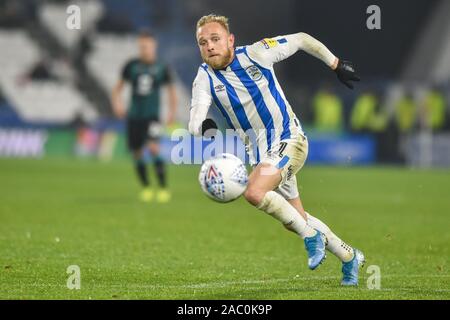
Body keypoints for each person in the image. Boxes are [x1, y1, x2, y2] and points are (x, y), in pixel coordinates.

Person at [189, 14, 364, 286]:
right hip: (262, 155)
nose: (209, 46)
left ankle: (310, 237)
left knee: (254, 192)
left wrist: (336, 64)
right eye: (203, 42)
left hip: (289, 139)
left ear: (230, 40)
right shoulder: (204, 77)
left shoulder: (258, 53)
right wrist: (205, 127)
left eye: (215, 39)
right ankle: (349, 257)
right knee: (295, 218)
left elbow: (302, 40)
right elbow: (194, 120)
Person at [112, 30, 177, 203]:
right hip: (134, 116)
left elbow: (171, 91)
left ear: (154, 46)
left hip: (152, 116)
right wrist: (117, 105)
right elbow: (117, 89)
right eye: (141, 46)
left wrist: (172, 112)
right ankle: (146, 187)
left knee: (154, 148)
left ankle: (163, 188)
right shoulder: (131, 65)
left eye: (147, 46)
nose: (144, 49)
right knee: (137, 153)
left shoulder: (162, 66)